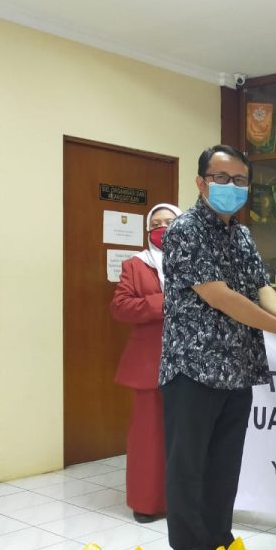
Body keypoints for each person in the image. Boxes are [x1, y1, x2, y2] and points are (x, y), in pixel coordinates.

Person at [160, 144, 276, 550]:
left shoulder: (242, 234)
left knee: (224, 465)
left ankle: (221, 547)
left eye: (239, 180)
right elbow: (220, 296)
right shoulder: (185, 231)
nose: (230, 186)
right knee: (188, 467)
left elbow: (259, 286)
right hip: (193, 368)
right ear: (201, 182)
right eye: (221, 178)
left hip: (237, 367)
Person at [110, 203, 181, 523]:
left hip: (193, 360)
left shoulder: (199, 261)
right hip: (148, 363)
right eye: (156, 223)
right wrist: (164, 303)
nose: (162, 228)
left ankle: (185, 501)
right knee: (148, 437)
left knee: (187, 436)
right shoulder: (135, 265)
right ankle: (147, 503)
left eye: (170, 222)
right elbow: (121, 307)